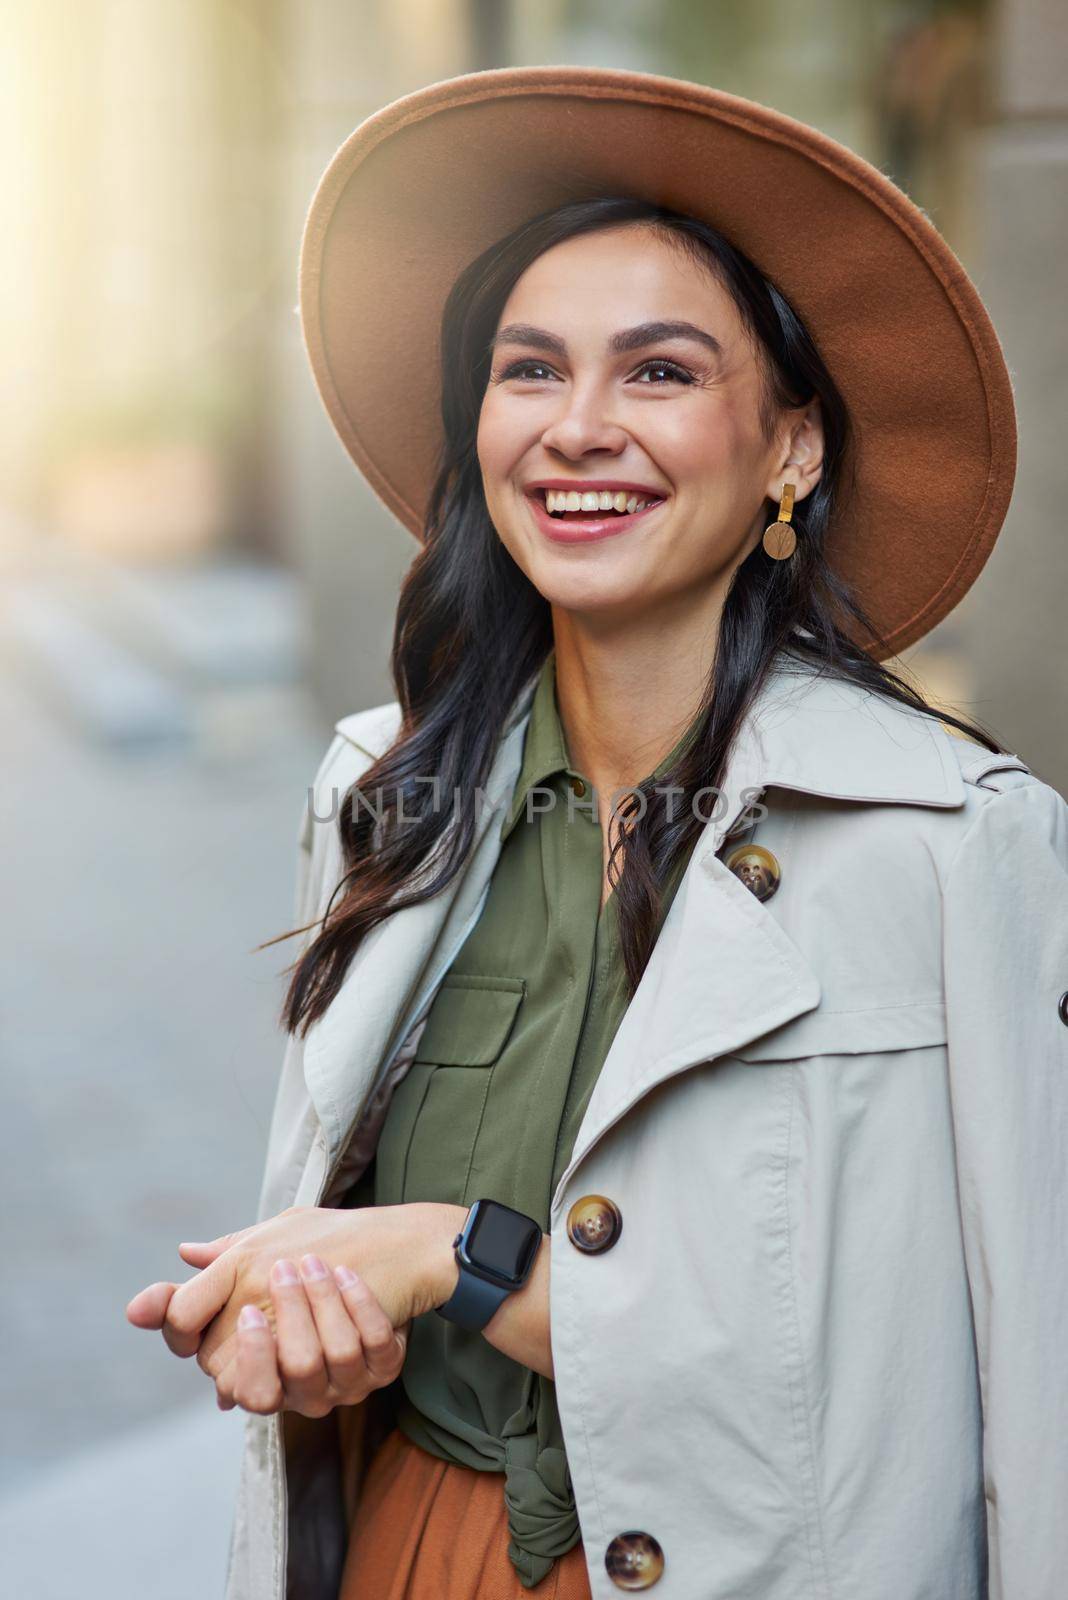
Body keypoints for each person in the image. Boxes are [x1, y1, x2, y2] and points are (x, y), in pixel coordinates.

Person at [126, 66, 1068, 1600]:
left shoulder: (959, 848)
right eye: (529, 370)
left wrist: (460, 1253)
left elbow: (1017, 1400)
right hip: (407, 1546)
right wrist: (306, 1324)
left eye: (658, 374)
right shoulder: (387, 792)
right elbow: (352, 1256)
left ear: (792, 450)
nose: (577, 429)